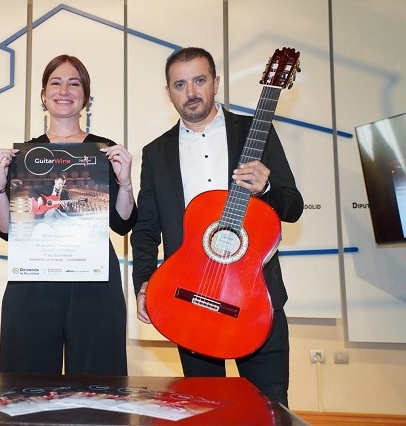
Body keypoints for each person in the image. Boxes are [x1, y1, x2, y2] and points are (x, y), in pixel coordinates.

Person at [131, 47, 303, 406]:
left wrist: (267, 189)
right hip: (190, 301)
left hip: (255, 301)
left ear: (216, 82)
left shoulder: (255, 132)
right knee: (202, 408)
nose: (191, 92)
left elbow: (292, 206)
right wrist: (144, 283)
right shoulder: (156, 152)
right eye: (180, 84)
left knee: (269, 408)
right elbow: (146, 228)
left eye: (199, 80)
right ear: (168, 92)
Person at [0, 54, 137, 375]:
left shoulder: (104, 151)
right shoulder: (23, 156)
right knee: (26, 384)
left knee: (98, 384)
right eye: (56, 83)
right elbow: (5, 229)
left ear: (85, 96)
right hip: (35, 280)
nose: (64, 90)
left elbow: (123, 223)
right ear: (43, 95)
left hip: (94, 280)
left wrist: (125, 182)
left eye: (74, 83)